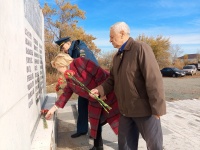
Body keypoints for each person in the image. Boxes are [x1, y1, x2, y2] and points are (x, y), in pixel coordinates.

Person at [89, 22, 166, 150]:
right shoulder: (117, 57)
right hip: (125, 111)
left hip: (145, 111)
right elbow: (112, 80)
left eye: (112, 37)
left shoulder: (140, 48)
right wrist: (99, 90)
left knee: (155, 146)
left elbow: (154, 79)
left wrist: (158, 109)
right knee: (124, 146)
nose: (110, 40)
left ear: (122, 34)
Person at [45, 53, 120, 150]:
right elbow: (66, 93)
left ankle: (126, 145)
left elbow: (100, 74)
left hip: (108, 94)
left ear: (62, 64)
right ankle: (98, 146)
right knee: (96, 123)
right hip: (95, 100)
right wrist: (53, 109)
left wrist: (102, 91)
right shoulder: (69, 76)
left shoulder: (80, 62)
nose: (58, 71)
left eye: (57, 68)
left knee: (118, 121)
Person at [55, 37, 98, 138]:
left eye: (63, 47)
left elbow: (91, 68)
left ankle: (96, 136)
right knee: (82, 107)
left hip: (92, 85)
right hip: (83, 86)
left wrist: (96, 89)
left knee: (94, 111)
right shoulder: (73, 52)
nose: (63, 50)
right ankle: (82, 130)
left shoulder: (81, 50)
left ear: (68, 43)